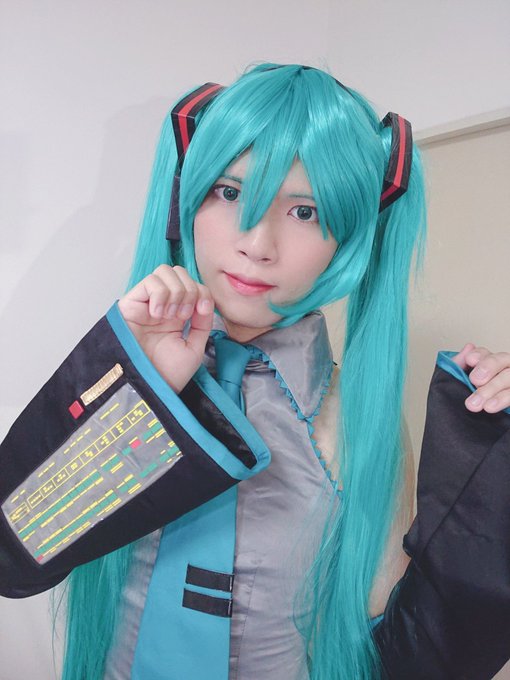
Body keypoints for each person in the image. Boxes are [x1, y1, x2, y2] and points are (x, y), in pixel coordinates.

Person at [0, 63, 509, 680]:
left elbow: (402, 646)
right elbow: (14, 551)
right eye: (230, 192)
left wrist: (494, 461)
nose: (257, 243)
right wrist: (137, 384)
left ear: (349, 237)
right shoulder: (129, 368)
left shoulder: (355, 419)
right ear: (187, 198)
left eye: (305, 211)